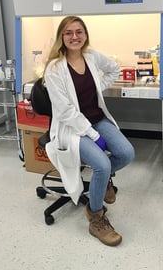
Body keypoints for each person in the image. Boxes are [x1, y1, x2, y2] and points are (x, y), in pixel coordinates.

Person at [43, 15, 135, 247]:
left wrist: (98, 88)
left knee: (126, 153)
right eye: (68, 33)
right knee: (102, 165)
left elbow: (114, 69)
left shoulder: (91, 56)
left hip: (97, 118)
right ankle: (96, 217)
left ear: (85, 35)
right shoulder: (54, 69)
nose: (75, 37)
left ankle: (102, 182)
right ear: (61, 38)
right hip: (71, 128)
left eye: (79, 32)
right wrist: (93, 135)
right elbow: (65, 112)